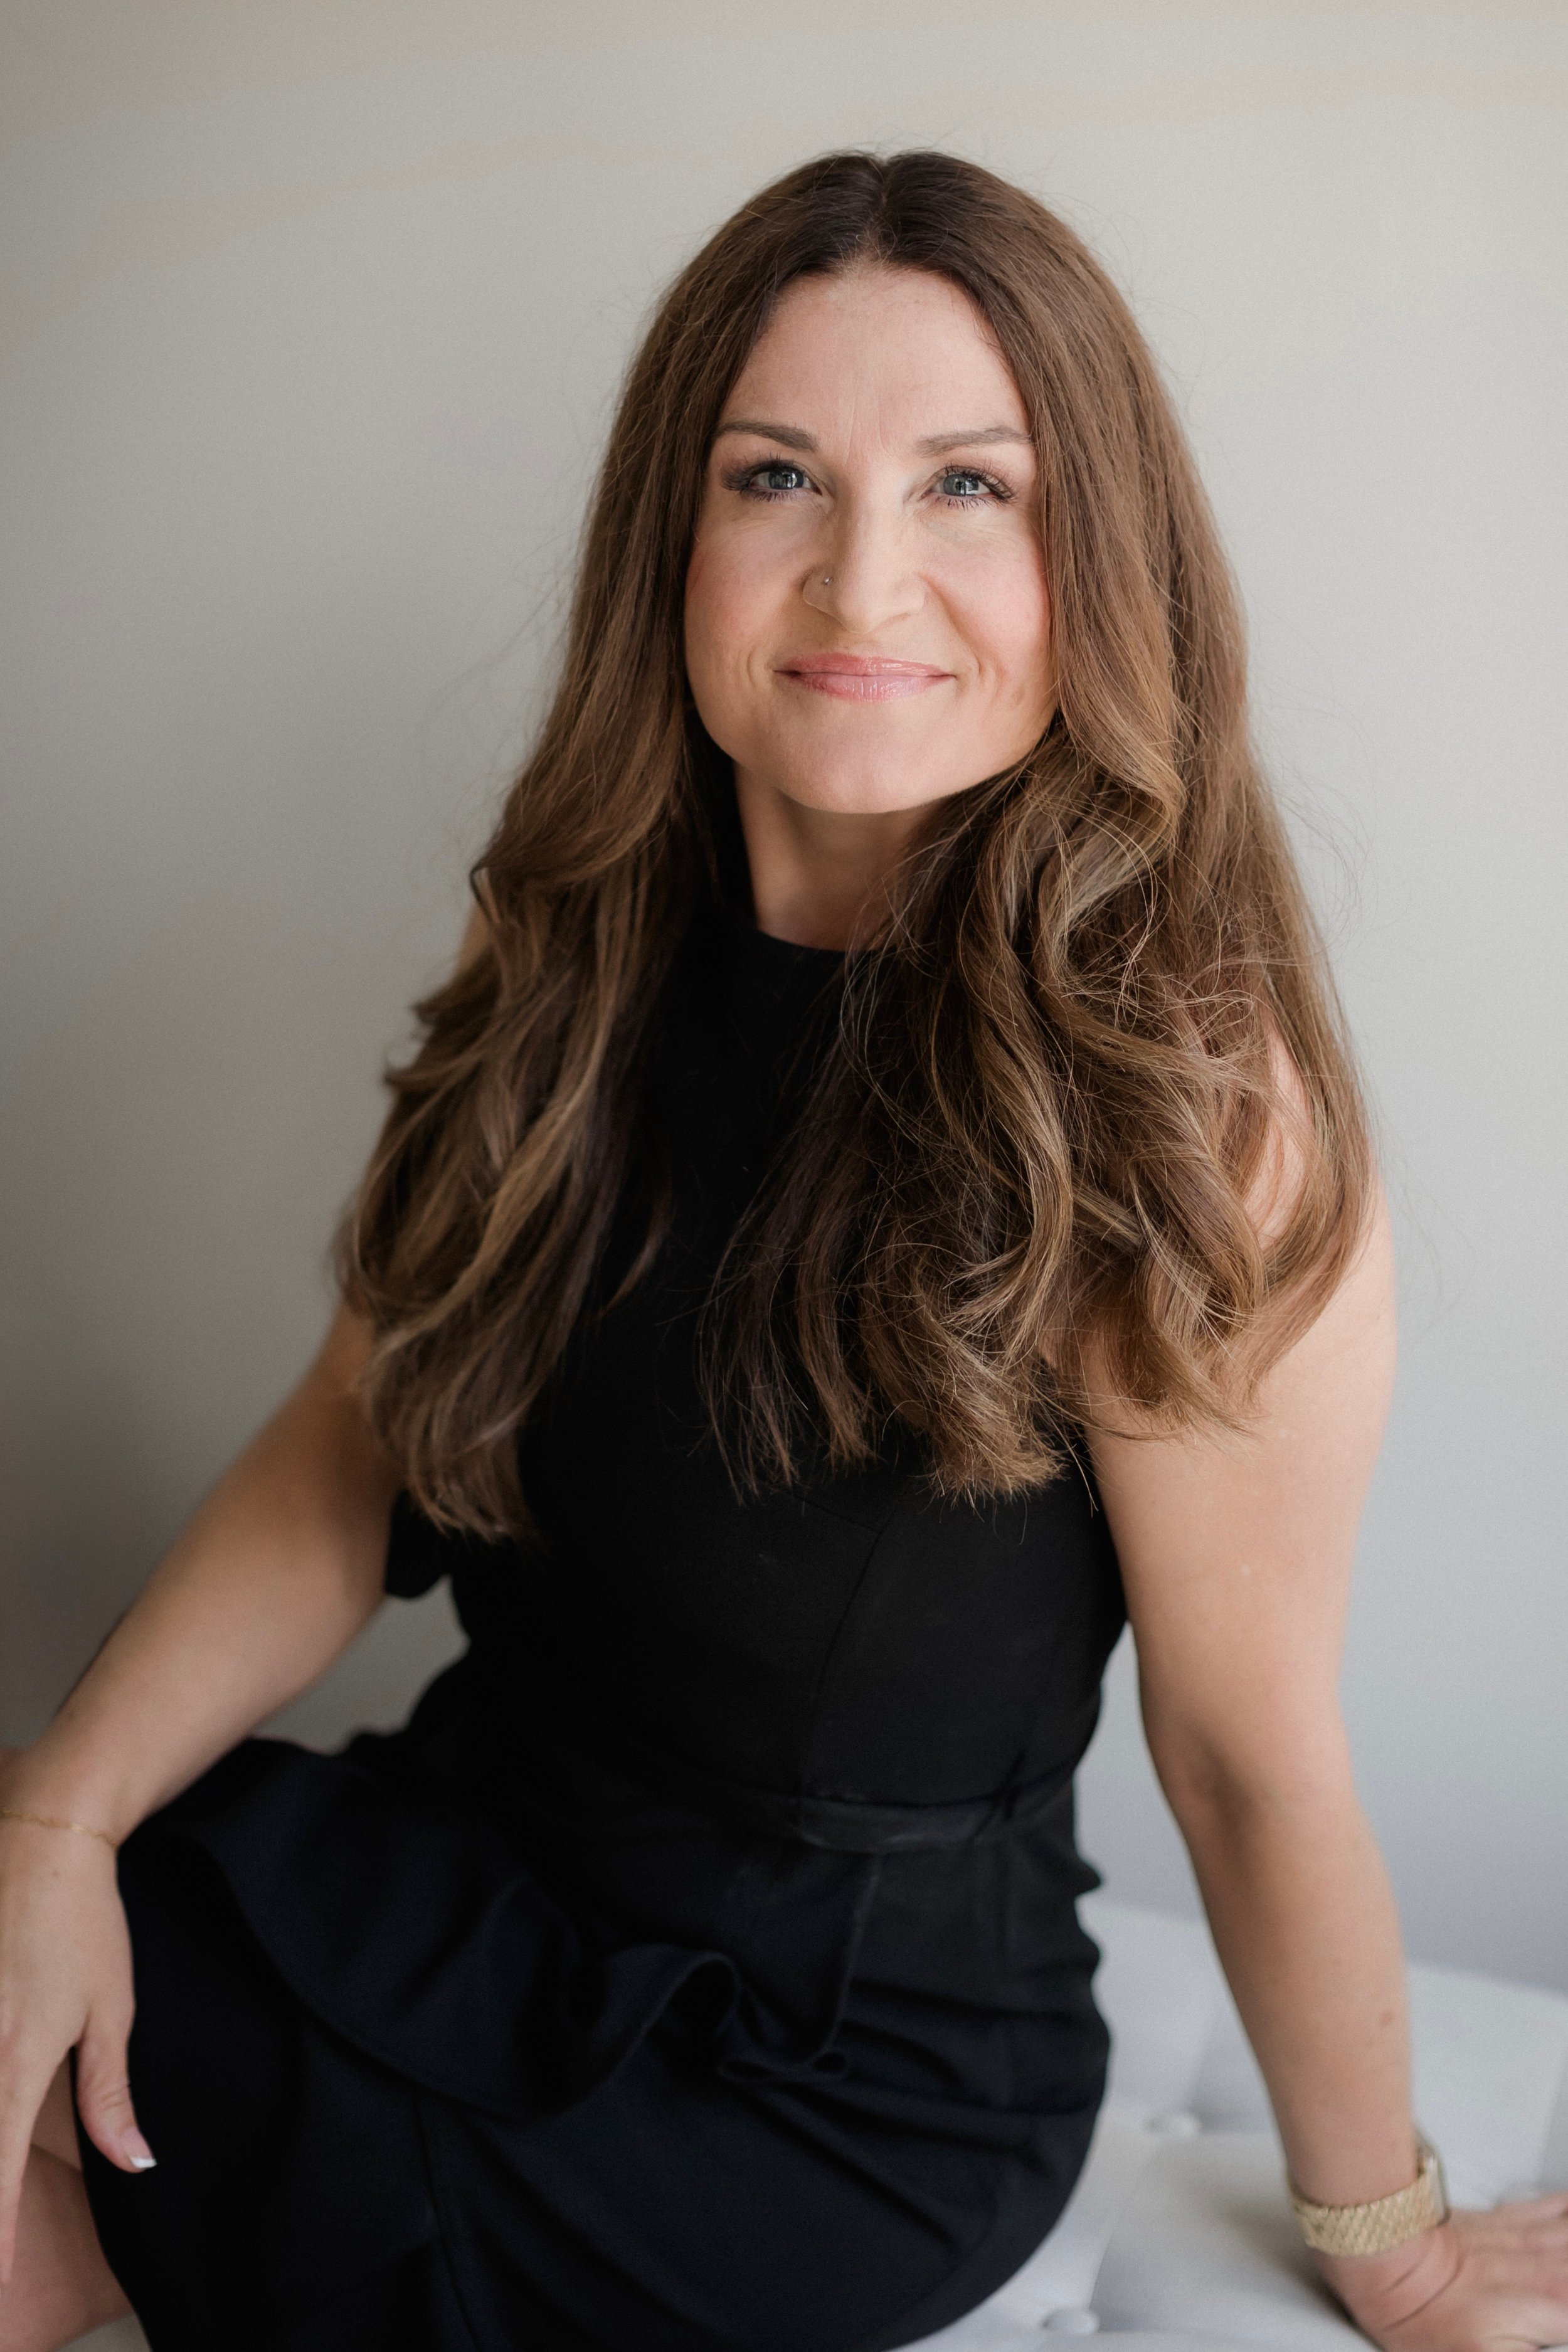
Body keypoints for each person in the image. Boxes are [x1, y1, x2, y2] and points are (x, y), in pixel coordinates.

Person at [1, 147, 1564, 2352]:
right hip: (461, 1874)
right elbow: (361, 1435)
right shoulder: (563, 937)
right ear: (677, 530)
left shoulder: (1193, 1112)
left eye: (967, 489)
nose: (861, 578)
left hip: (823, 2082)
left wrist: (1387, 2240)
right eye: (774, 476)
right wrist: (58, 1818)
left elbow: (1241, 1755)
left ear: (1092, 555)